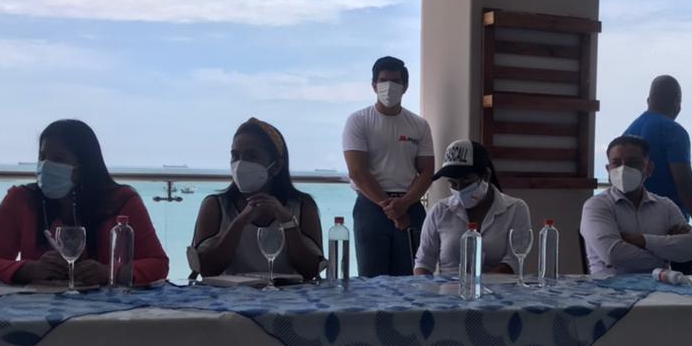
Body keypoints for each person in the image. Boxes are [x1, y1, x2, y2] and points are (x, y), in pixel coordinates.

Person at [0, 120, 169, 285]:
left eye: (58, 159)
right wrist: (30, 269)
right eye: (42, 157)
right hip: (37, 309)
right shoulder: (20, 199)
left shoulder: (122, 201)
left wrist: (110, 273)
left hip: (112, 310)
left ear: (84, 165)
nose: (46, 165)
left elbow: (158, 265)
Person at [190, 119, 324, 281]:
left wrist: (288, 223)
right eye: (235, 156)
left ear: (276, 166)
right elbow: (207, 270)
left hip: (289, 294)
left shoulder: (302, 206)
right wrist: (239, 223)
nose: (240, 164)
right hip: (230, 295)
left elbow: (310, 271)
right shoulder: (215, 206)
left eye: (251, 156)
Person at [343, 57, 434, 277]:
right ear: (374, 85)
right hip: (371, 207)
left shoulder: (419, 125)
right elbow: (357, 171)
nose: (389, 86)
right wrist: (393, 211)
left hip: (410, 206)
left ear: (405, 86)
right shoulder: (359, 120)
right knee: (372, 280)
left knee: (411, 280)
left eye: (396, 81)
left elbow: (427, 171)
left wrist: (404, 204)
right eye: (383, 80)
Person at [580, 134, 692, 276]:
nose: (623, 169)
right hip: (609, 287)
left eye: (632, 163)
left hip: (659, 286)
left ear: (649, 168)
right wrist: (665, 256)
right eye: (616, 163)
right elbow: (613, 254)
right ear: (608, 169)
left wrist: (641, 240)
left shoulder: (665, 206)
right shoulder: (596, 206)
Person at [414, 140, 531, 277]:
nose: (460, 190)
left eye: (467, 182)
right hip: (448, 287)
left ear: (486, 176)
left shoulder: (515, 209)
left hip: (498, 288)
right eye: (453, 184)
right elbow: (424, 262)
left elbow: (514, 261)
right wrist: (424, 286)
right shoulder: (440, 211)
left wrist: (477, 285)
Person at [624, 75, 692, 227]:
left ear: (648, 100)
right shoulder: (673, 131)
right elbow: (684, 182)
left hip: (630, 220)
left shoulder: (627, 132)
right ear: (677, 104)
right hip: (668, 223)